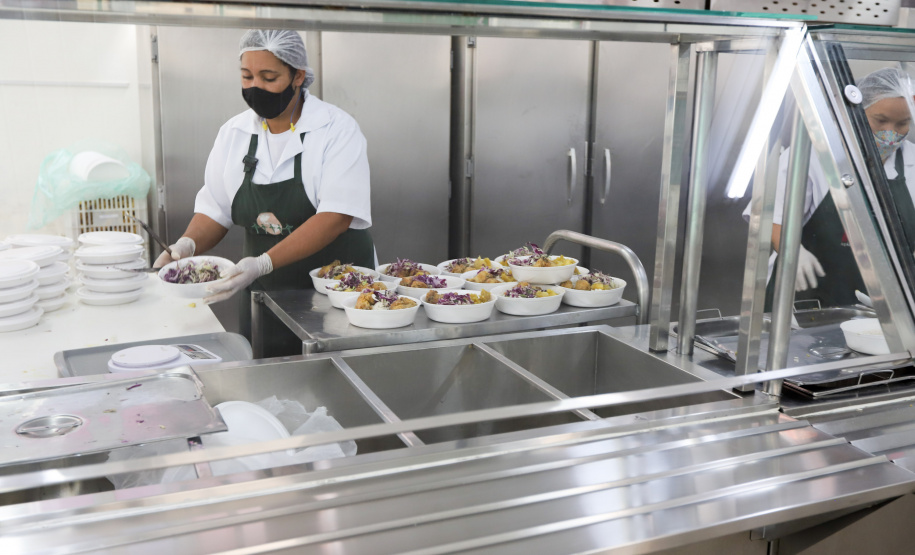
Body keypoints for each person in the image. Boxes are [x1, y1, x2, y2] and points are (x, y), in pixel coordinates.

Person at [155, 29, 375, 352]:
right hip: (263, 301)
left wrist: (263, 263)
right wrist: (185, 246)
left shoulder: (336, 130)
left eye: (269, 77)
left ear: (298, 76)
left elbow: (336, 216)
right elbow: (215, 209)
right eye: (247, 76)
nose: (255, 87)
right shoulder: (234, 133)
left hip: (337, 300)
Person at [746, 67, 915, 308]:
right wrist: (793, 253)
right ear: (856, 112)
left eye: (902, 123)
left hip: (884, 308)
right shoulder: (815, 153)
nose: (890, 133)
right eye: (880, 120)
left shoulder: (912, 160)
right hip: (806, 299)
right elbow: (769, 214)